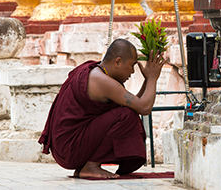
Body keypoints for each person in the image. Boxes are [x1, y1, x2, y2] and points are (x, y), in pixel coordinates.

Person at [38, 39, 166, 179]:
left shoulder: (97, 72)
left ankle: (87, 165)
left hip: (67, 147)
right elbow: (144, 107)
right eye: (131, 65)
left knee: (126, 112)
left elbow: (136, 104)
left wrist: (148, 79)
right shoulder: (101, 80)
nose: (132, 71)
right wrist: (153, 78)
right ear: (117, 62)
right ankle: (91, 166)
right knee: (125, 116)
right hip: (70, 149)